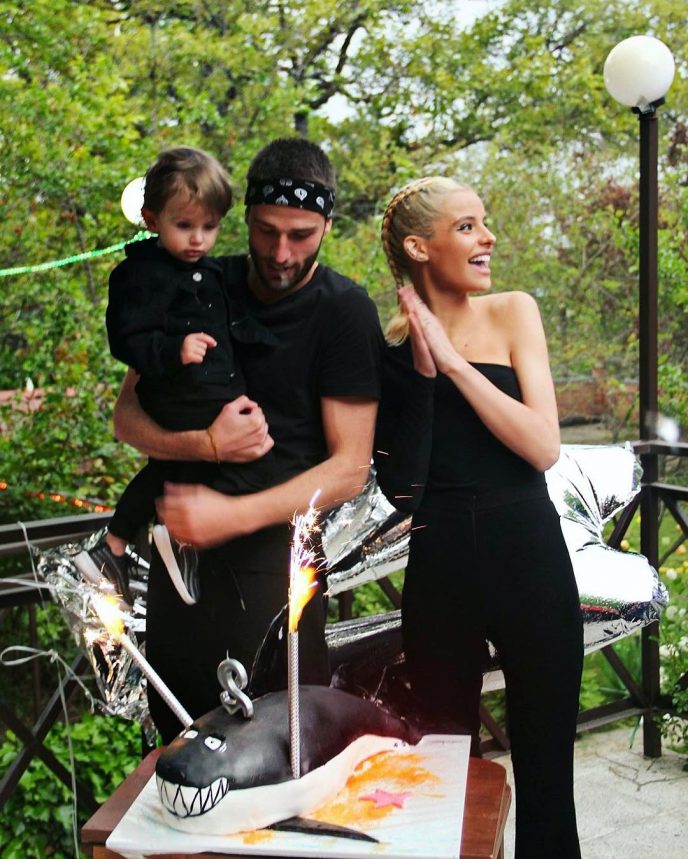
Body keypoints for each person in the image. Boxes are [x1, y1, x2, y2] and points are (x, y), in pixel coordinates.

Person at [112, 138, 385, 743]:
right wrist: (208, 446)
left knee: (280, 747)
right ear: (244, 218)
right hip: (179, 562)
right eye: (266, 231)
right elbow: (126, 419)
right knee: (181, 742)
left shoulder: (344, 311)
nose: (281, 253)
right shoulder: (197, 278)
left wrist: (232, 515)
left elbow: (349, 467)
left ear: (328, 225)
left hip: (279, 567)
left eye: (301, 235)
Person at [374, 177, 583, 858]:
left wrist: (453, 362)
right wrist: (422, 368)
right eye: (466, 226)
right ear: (419, 247)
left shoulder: (513, 311)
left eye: (483, 223)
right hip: (440, 569)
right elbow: (400, 489)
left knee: (546, 774)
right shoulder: (391, 352)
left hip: (529, 556)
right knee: (445, 771)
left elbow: (542, 446)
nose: (487, 237)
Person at [78, 146, 274, 607]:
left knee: (175, 469)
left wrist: (266, 339)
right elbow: (126, 339)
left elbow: (230, 323)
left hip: (211, 388)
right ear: (151, 220)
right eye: (184, 226)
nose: (198, 240)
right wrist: (173, 350)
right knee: (227, 457)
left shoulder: (210, 270)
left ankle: (143, 545)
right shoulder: (140, 274)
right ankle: (141, 542)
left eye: (210, 227)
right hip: (174, 392)